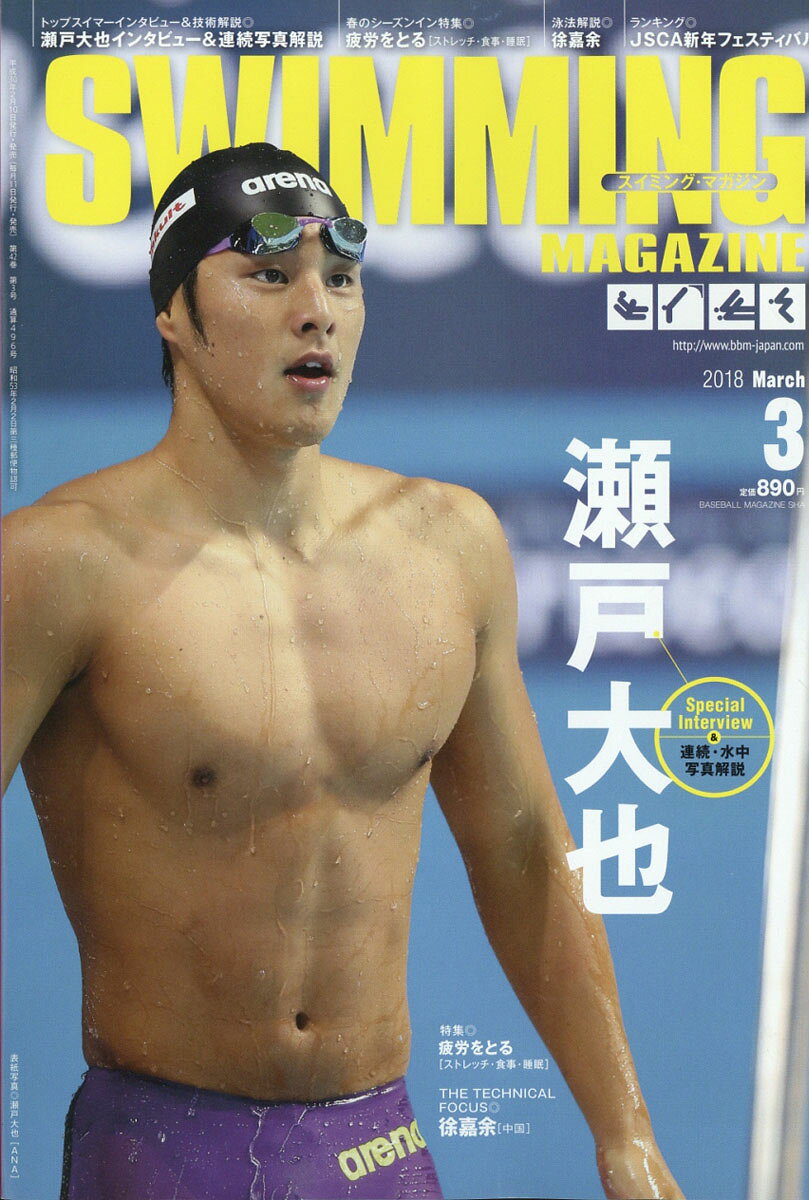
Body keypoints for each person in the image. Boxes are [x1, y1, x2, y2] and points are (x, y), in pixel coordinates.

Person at [2, 143, 683, 1200]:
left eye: (342, 278)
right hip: (162, 1151)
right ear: (173, 312)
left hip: (376, 1149)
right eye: (268, 274)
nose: (315, 310)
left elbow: (521, 855)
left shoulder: (448, 546)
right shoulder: (61, 563)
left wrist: (623, 1133)